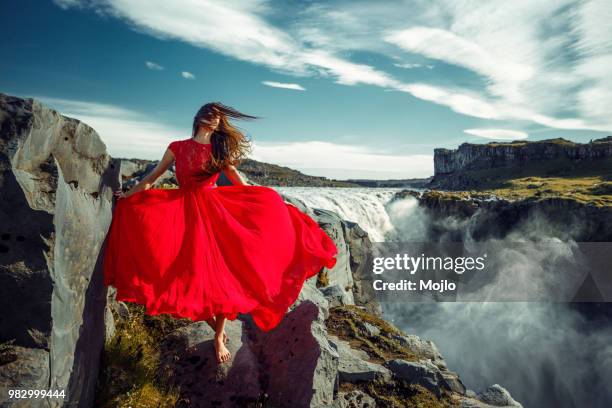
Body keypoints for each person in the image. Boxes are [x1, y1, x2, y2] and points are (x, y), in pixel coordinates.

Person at [102, 102, 338, 363]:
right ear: (200, 117)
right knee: (187, 274)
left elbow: (238, 180)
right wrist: (128, 195)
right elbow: (153, 177)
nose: (216, 121)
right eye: (212, 116)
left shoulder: (218, 149)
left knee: (222, 275)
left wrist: (264, 200)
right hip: (183, 211)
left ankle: (219, 335)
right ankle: (215, 328)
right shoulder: (177, 147)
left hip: (214, 214)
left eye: (219, 118)